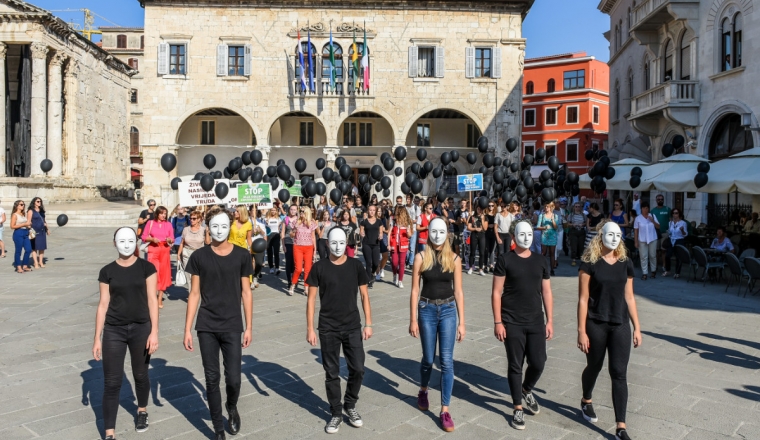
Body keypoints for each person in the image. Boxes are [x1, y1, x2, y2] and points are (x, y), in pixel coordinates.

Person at [184, 206, 254, 440]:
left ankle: (231, 406)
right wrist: (187, 329)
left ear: (230, 226)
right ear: (208, 228)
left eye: (224, 226)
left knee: (233, 378)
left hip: (233, 324)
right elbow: (194, 294)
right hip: (206, 325)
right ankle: (218, 430)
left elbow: (246, 292)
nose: (220, 230)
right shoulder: (199, 257)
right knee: (212, 378)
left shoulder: (243, 255)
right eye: (215, 226)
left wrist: (249, 326)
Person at [578, 221, 642, 440]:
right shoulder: (590, 262)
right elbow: (583, 299)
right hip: (595, 323)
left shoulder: (626, 263)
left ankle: (620, 427)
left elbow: (630, 297)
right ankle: (586, 399)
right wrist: (581, 331)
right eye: (610, 234)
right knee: (594, 366)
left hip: (620, 324)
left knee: (619, 373)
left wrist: (637, 327)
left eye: (618, 235)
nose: (614, 238)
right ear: (601, 235)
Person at [94, 227, 159, 440]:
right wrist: (97, 337)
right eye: (121, 240)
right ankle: (109, 433)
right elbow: (103, 304)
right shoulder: (107, 271)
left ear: (136, 242)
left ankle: (142, 410)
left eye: (130, 240)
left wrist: (154, 332)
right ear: (114, 243)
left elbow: (152, 300)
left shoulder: (146, 268)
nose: (126, 244)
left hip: (141, 328)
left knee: (140, 374)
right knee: (112, 382)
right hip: (114, 329)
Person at [306, 227, 373, 434]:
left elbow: (364, 296)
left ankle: (350, 404)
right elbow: (310, 300)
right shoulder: (319, 267)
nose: (337, 247)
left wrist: (368, 323)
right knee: (332, 373)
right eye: (333, 243)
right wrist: (310, 328)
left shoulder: (355, 266)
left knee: (358, 368)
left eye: (341, 243)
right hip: (328, 328)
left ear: (347, 243)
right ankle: (336, 412)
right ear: (327, 243)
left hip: (352, 325)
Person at [492, 220, 553, 431]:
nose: (526, 238)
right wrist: (498, 321)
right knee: (515, 364)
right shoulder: (505, 259)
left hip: (536, 320)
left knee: (539, 362)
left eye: (529, 234)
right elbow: (496, 292)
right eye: (522, 234)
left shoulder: (541, 261)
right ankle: (517, 407)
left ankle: (527, 389)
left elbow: (546, 291)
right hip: (511, 321)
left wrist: (550, 320)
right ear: (514, 235)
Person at [409, 218, 465, 432]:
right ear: (429, 233)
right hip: (426, 310)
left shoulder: (455, 258)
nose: (438, 235)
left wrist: (462, 321)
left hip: (449, 310)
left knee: (447, 361)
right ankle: (423, 389)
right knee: (428, 358)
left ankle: (445, 410)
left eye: (442, 231)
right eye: (434, 231)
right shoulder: (420, 257)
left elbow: (458, 291)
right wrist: (412, 318)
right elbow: (415, 289)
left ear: (447, 233)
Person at [141, 206, 174, 308]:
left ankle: (160, 298)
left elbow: (172, 238)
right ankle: (152, 296)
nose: (164, 215)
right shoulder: (150, 223)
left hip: (164, 250)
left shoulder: (168, 224)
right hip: (153, 250)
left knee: (163, 274)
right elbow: (143, 236)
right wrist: (152, 240)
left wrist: (169, 240)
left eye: (165, 213)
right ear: (157, 214)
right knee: (153, 273)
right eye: (162, 213)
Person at [290, 206, 318, 296]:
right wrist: (295, 228)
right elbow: (291, 235)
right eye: (300, 211)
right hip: (298, 246)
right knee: (298, 268)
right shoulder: (296, 222)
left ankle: (306, 287)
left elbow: (313, 237)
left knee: (307, 269)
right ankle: (293, 285)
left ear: (307, 213)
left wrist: (315, 249)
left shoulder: (312, 223)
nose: (301, 213)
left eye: (302, 212)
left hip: (308, 247)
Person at [360, 205, 385, 289]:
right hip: (366, 243)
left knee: (375, 263)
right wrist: (362, 234)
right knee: (368, 262)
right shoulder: (364, 222)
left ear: (375, 211)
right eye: (370, 210)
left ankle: (372, 273)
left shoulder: (379, 222)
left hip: (376, 244)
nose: (371, 212)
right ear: (368, 211)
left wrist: (380, 236)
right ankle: (368, 280)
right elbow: (361, 231)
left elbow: (381, 232)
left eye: (373, 210)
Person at [633, 201, 659, 281]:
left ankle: (653, 270)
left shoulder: (652, 216)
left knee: (652, 255)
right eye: (644, 208)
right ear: (641, 209)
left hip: (652, 238)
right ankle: (645, 273)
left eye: (647, 208)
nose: (645, 210)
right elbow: (636, 231)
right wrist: (636, 241)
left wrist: (652, 221)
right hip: (642, 239)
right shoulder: (638, 218)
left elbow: (658, 226)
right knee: (643, 256)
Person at [177, 210, 207, 275]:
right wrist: (178, 254)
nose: (191, 220)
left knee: (198, 275)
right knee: (188, 275)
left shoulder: (203, 230)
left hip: (199, 254)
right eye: (190, 218)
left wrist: (207, 232)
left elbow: (207, 242)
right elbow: (182, 243)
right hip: (187, 253)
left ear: (199, 219)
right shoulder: (186, 229)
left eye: (194, 218)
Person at [389, 206, 412, 288]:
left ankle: (400, 280)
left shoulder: (407, 222)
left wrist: (408, 232)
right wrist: (388, 244)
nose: (397, 214)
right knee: (394, 262)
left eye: (399, 212)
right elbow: (389, 233)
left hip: (403, 245)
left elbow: (409, 235)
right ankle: (395, 274)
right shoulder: (393, 220)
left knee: (402, 263)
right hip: (394, 244)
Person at [662, 209, 688, 278]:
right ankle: (668, 270)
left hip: (679, 240)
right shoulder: (670, 222)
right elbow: (670, 231)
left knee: (678, 257)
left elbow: (685, 234)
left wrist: (682, 230)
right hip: (671, 239)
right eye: (673, 213)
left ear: (679, 214)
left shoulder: (683, 223)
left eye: (676, 213)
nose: (674, 215)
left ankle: (677, 272)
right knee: (667, 255)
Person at [10, 200, 32, 273]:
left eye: (23, 204)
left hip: (25, 232)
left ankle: (25, 265)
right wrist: (24, 224)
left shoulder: (24, 214)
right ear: (17, 206)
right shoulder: (15, 215)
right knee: (18, 251)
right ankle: (18, 266)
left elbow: (26, 223)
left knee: (28, 249)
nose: (23, 206)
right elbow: (12, 226)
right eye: (21, 204)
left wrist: (28, 225)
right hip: (18, 233)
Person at [537, 202, 558, 276]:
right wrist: (544, 227)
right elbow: (537, 227)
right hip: (544, 236)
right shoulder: (541, 216)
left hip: (553, 236)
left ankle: (552, 270)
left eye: (548, 206)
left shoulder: (555, 216)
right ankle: (543, 269)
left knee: (552, 253)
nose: (546, 208)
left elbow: (556, 227)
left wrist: (552, 220)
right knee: (544, 253)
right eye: (545, 206)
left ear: (551, 207)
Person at [651, 195, 671, 272]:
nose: (660, 200)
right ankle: (655, 266)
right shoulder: (653, 211)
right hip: (655, 233)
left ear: (663, 200)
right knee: (656, 251)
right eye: (658, 199)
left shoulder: (667, 209)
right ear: (656, 200)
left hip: (665, 233)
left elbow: (670, 220)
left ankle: (664, 265)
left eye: (661, 199)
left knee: (663, 250)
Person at [281, 205, 299, 291]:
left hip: (298, 243)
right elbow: (283, 232)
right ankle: (289, 281)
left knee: (296, 262)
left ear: (296, 210)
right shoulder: (286, 219)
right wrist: (283, 245)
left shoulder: (299, 219)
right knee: (288, 262)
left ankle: (295, 280)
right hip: (288, 242)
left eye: (294, 209)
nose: (292, 211)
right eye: (291, 209)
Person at [249, 205, 267, 288]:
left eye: (255, 210)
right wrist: (252, 231)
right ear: (250, 211)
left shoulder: (261, 221)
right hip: (249, 244)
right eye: (252, 210)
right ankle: (250, 279)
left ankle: (255, 276)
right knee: (249, 263)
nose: (254, 212)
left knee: (259, 263)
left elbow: (265, 234)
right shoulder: (246, 221)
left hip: (259, 245)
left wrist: (260, 231)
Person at [27, 197, 48, 268]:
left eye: (40, 201)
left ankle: (41, 262)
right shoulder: (31, 211)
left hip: (42, 231)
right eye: (38, 201)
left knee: (42, 248)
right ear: (34, 202)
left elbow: (44, 221)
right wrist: (30, 229)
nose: (39, 203)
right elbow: (29, 221)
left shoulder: (42, 211)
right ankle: (35, 262)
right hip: (34, 231)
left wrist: (47, 229)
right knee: (34, 247)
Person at [467, 205, 487, 276]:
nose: (479, 210)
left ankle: (480, 269)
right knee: (472, 252)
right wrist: (475, 229)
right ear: (476, 209)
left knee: (482, 253)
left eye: (481, 209)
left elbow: (485, 228)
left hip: (482, 235)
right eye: (478, 208)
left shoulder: (485, 217)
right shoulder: (472, 217)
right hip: (474, 235)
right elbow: (468, 227)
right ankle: (470, 267)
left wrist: (482, 219)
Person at [265, 207, 282, 274]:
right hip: (269, 235)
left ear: (276, 211)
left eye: (274, 210)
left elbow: (280, 227)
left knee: (276, 252)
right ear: (270, 211)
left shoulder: (278, 219)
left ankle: (277, 267)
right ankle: (271, 267)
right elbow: (265, 228)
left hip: (276, 235)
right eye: (272, 210)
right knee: (269, 252)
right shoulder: (267, 219)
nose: (273, 211)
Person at [406, 194, 420, 267]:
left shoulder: (416, 208)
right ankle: (407, 260)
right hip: (405, 229)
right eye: (407, 199)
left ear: (412, 200)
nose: (408, 200)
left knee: (412, 247)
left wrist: (412, 221)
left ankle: (411, 262)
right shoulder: (404, 207)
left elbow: (418, 219)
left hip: (413, 229)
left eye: (409, 199)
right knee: (406, 246)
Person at [484, 201, 498, 273]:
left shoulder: (496, 215)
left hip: (494, 234)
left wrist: (494, 226)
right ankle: (485, 265)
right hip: (486, 233)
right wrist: (488, 225)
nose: (491, 207)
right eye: (489, 206)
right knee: (486, 249)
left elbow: (498, 224)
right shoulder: (485, 215)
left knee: (492, 250)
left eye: (492, 206)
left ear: (494, 206)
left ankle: (491, 265)